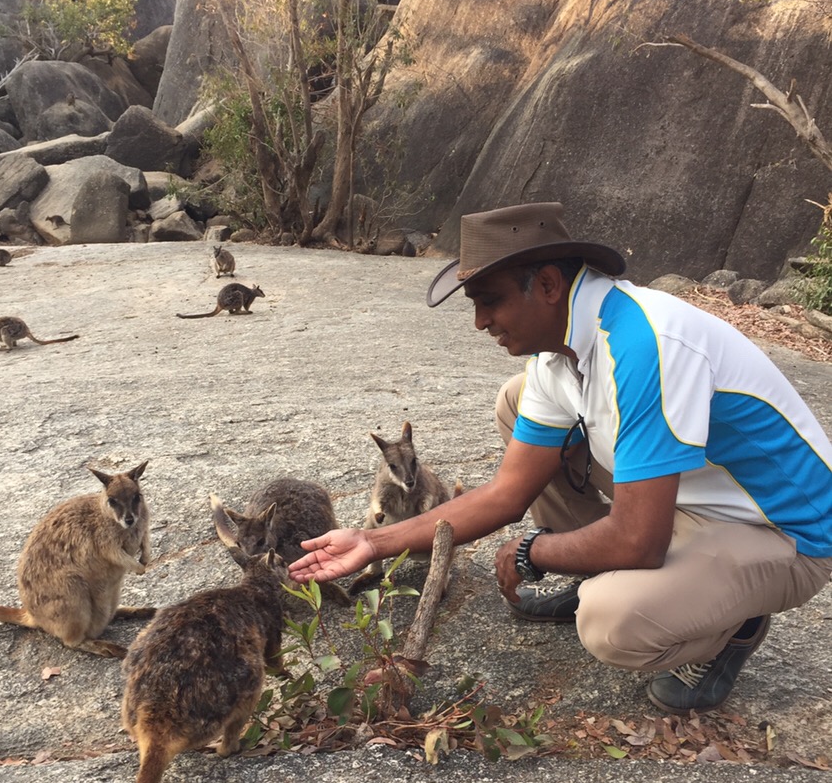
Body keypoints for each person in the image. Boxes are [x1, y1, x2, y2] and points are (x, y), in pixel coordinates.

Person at [289, 202, 832, 713]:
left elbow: (640, 539)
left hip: (781, 531)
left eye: (490, 301)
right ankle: (611, 569)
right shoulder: (558, 355)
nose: (480, 322)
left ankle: (733, 627)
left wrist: (536, 552)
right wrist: (370, 542)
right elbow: (508, 492)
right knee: (515, 400)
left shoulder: (646, 343)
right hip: (681, 498)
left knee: (610, 621)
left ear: (548, 284)